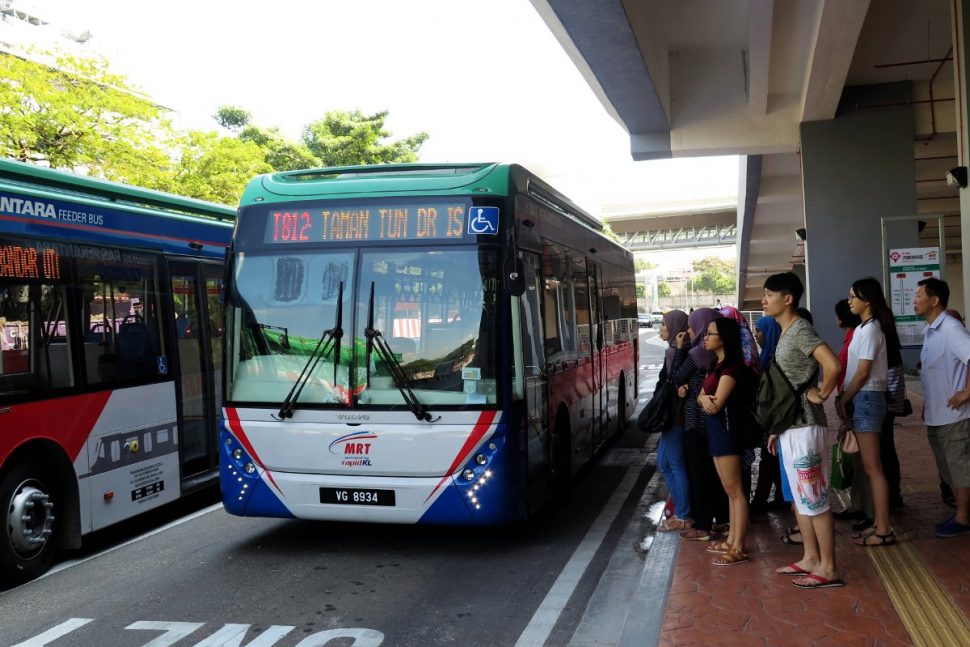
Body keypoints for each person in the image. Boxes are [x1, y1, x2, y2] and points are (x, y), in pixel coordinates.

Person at [763, 272, 844, 589]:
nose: (764, 300)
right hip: (791, 427)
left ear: (788, 298)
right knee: (801, 499)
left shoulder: (800, 330)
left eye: (769, 294)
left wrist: (822, 393)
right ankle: (811, 558)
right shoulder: (786, 332)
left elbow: (832, 364)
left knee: (815, 498)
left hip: (807, 427)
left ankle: (829, 567)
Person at [840, 278, 895, 546]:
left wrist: (844, 398)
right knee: (868, 466)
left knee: (873, 467)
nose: (849, 301)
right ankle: (878, 523)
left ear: (868, 300)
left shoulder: (872, 330)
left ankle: (883, 529)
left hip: (867, 397)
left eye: (853, 296)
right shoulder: (864, 328)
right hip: (862, 398)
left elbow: (863, 373)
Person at [913, 278, 970, 538]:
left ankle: (963, 519)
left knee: (960, 467)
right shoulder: (931, 330)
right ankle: (962, 511)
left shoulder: (951, 328)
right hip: (937, 415)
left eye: (919, 296)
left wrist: (966, 392)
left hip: (955, 416)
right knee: (948, 469)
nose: (914, 300)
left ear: (934, 301)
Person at [698, 316, 753, 564]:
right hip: (716, 432)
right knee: (729, 490)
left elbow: (715, 404)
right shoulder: (715, 366)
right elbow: (702, 396)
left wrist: (706, 400)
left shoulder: (732, 367)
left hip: (728, 432)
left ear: (724, 339)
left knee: (736, 491)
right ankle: (731, 539)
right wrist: (703, 399)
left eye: (710, 334)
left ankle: (738, 547)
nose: (705, 338)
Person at [671, 307, 729, 541]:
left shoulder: (697, 353)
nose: (693, 330)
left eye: (694, 325)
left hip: (696, 422)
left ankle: (703, 526)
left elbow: (675, 376)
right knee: (715, 475)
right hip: (714, 422)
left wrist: (679, 349)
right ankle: (723, 521)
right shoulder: (721, 353)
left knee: (698, 475)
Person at [656, 310, 693, 532]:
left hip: (675, 416)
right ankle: (681, 509)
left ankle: (683, 514)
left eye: (663, 324)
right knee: (664, 463)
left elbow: (675, 381)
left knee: (675, 464)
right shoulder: (681, 350)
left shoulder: (675, 352)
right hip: (674, 415)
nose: (660, 328)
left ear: (675, 328)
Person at [751, 315, 785, 514]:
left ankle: (760, 501)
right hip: (771, 416)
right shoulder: (766, 354)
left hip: (774, 416)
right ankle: (778, 497)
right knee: (771, 458)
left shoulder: (775, 357)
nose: (756, 335)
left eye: (759, 331)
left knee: (769, 458)